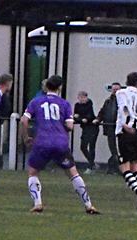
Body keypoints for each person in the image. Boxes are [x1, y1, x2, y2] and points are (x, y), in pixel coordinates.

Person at [20, 75, 100, 214]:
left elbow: (23, 120)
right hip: (60, 142)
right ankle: (88, 205)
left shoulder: (36, 102)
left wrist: (26, 137)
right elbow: (70, 125)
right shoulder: (65, 104)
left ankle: (38, 203)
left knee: (33, 172)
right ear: (60, 88)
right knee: (73, 173)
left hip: (42, 142)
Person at [115, 72, 137, 210]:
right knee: (135, 165)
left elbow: (123, 108)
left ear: (126, 81)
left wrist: (124, 124)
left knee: (124, 166)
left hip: (125, 132)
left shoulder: (121, 93)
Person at [94, 82, 122, 175]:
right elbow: (102, 111)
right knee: (113, 149)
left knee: (119, 149)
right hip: (110, 128)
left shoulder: (123, 101)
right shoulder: (108, 101)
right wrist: (98, 119)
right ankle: (115, 167)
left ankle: (116, 167)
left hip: (120, 129)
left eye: (117, 89)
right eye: (114, 89)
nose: (115, 91)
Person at [74, 91, 100, 173]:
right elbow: (75, 116)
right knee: (83, 147)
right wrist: (81, 119)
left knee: (91, 146)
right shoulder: (77, 105)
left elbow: (89, 115)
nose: (81, 99)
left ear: (86, 97)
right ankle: (92, 163)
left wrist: (82, 118)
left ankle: (90, 166)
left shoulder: (89, 103)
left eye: (82, 97)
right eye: (79, 97)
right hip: (85, 128)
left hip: (92, 127)